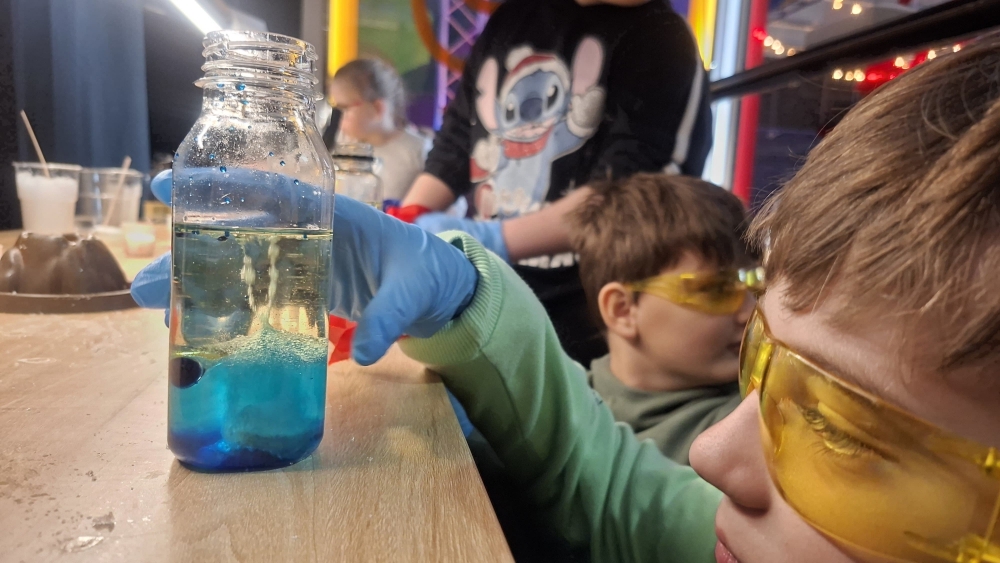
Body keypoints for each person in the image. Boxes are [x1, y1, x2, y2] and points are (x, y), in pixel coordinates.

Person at [132, 34, 1000, 563]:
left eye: (838, 429)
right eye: (761, 359)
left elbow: (618, 191)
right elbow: (610, 485)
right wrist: (453, 278)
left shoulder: (658, 47)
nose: (709, 454)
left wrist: (493, 239)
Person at [396, 0, 712, 365]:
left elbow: (627, 198)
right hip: (486, 294)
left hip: (587, 318)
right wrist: (407, 221)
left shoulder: (662, 38)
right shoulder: (512, 17)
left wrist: (492, 239)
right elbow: (457, 142)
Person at [567, 174, 757, 464]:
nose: (750, 312)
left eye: (756, 286)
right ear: (622, 310)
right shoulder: (562, 409)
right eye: (715, 290)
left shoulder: (758, 423)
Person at [328, 58, 431, 203]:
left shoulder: (419, 150)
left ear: (377, 108)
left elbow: (450, 206)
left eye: (344, 109)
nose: (338, 119)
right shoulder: (342, 144)